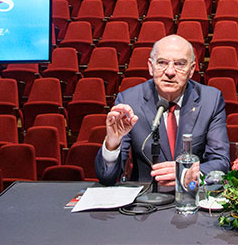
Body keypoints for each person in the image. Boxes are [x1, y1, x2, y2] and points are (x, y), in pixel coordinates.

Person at [95, 34, 230, 186]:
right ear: (150, 67)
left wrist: (188, 173)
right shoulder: (129, 101)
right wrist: (113, 143)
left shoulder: (210, 100)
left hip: (192, 197)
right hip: (145, 200)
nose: (170, 72)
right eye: (162, 63)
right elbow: (107, 177)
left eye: (179, 64)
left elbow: (221, 162)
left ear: (191, 70)